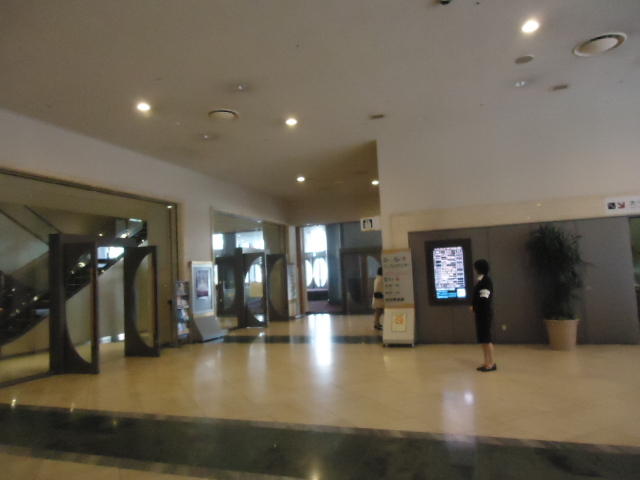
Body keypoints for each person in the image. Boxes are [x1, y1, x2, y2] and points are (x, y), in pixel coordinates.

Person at [471, 259, 496, 372]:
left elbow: (484, 298)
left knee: (487, 339)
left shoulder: (486, 281)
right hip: (480, 314)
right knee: (483, 339)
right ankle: (486, 362)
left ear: (479, 269)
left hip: (484, 314)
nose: (474, 270)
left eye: (475, 268)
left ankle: (492, 363)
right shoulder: (482, 280)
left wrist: (475, 307)